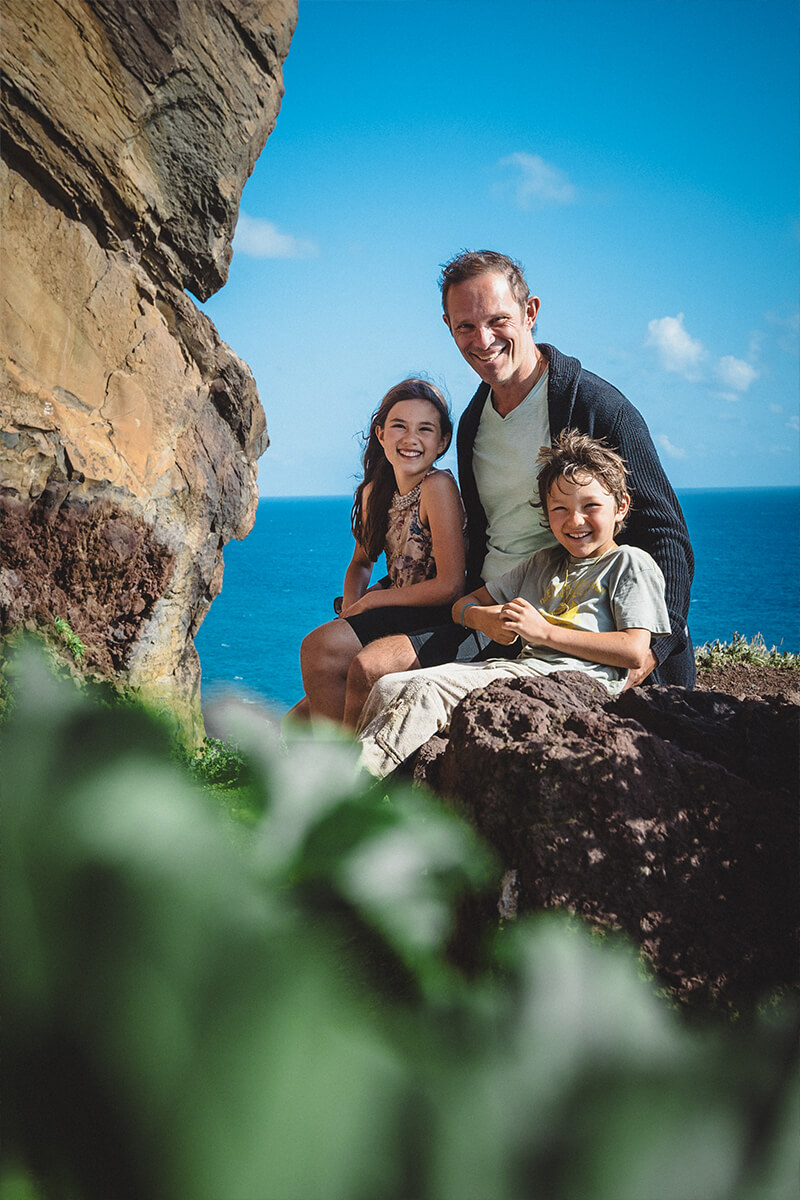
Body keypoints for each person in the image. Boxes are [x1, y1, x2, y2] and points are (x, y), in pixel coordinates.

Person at [334, 249, 694, 721]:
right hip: (487, 608)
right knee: (325, 650)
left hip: (570, 622)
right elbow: (481, 535)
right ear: (447, 325)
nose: (482, 340)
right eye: (465, 326)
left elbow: (667, 538)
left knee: (374, 671)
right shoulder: (471, 424)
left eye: (498, 320)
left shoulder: (596, 407)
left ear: (530, 312)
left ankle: (383, 791)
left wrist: (652, 650)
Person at [358, 429, 671, 777]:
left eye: (591, 506)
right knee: (388, 685)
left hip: (571, 684)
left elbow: (634, 651)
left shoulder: (630, 562)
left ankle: (347, 796)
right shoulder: (543, 562)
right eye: (560, 509)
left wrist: (544, 631)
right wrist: (483, 620)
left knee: (424, 691)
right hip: (519, 673)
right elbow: (462, 605)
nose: (575, 520)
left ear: (621, 507)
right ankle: (381, 800)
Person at [290, 378, 466, 726]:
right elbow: (360, 564)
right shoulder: (375, 493)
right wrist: (351, 610)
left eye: (425, 429)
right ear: (381, 433)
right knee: (294, 722)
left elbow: (450, 586)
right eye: (399, 425)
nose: (411, 438)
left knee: (318, 648)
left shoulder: (438, 487)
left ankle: (340, 768)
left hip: (437, 615)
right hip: (396, 605)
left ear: (443, 441)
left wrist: (372, 603)